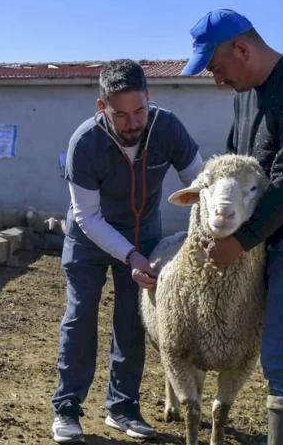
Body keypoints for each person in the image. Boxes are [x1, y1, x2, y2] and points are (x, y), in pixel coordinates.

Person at [180, 9, 283, 445]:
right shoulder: (246, 95)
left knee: (281, 354)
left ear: (242, 49)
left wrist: (243, 241)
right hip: (266, 241)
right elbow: (235, 164)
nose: (217, 79)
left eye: (216, 67)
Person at [51, 59, 205, 443]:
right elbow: (88, 216)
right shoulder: (84, 143)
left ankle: (122, 408)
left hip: (144, 233)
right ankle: (67, 408)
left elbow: (201, 184)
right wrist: (130, 256)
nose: (134, 122)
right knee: (81, 314)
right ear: (102, 107)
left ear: (149, 100)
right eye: (122, 115)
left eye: (140, 110)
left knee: (132, 320)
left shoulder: (167, 127)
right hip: (89, 236)